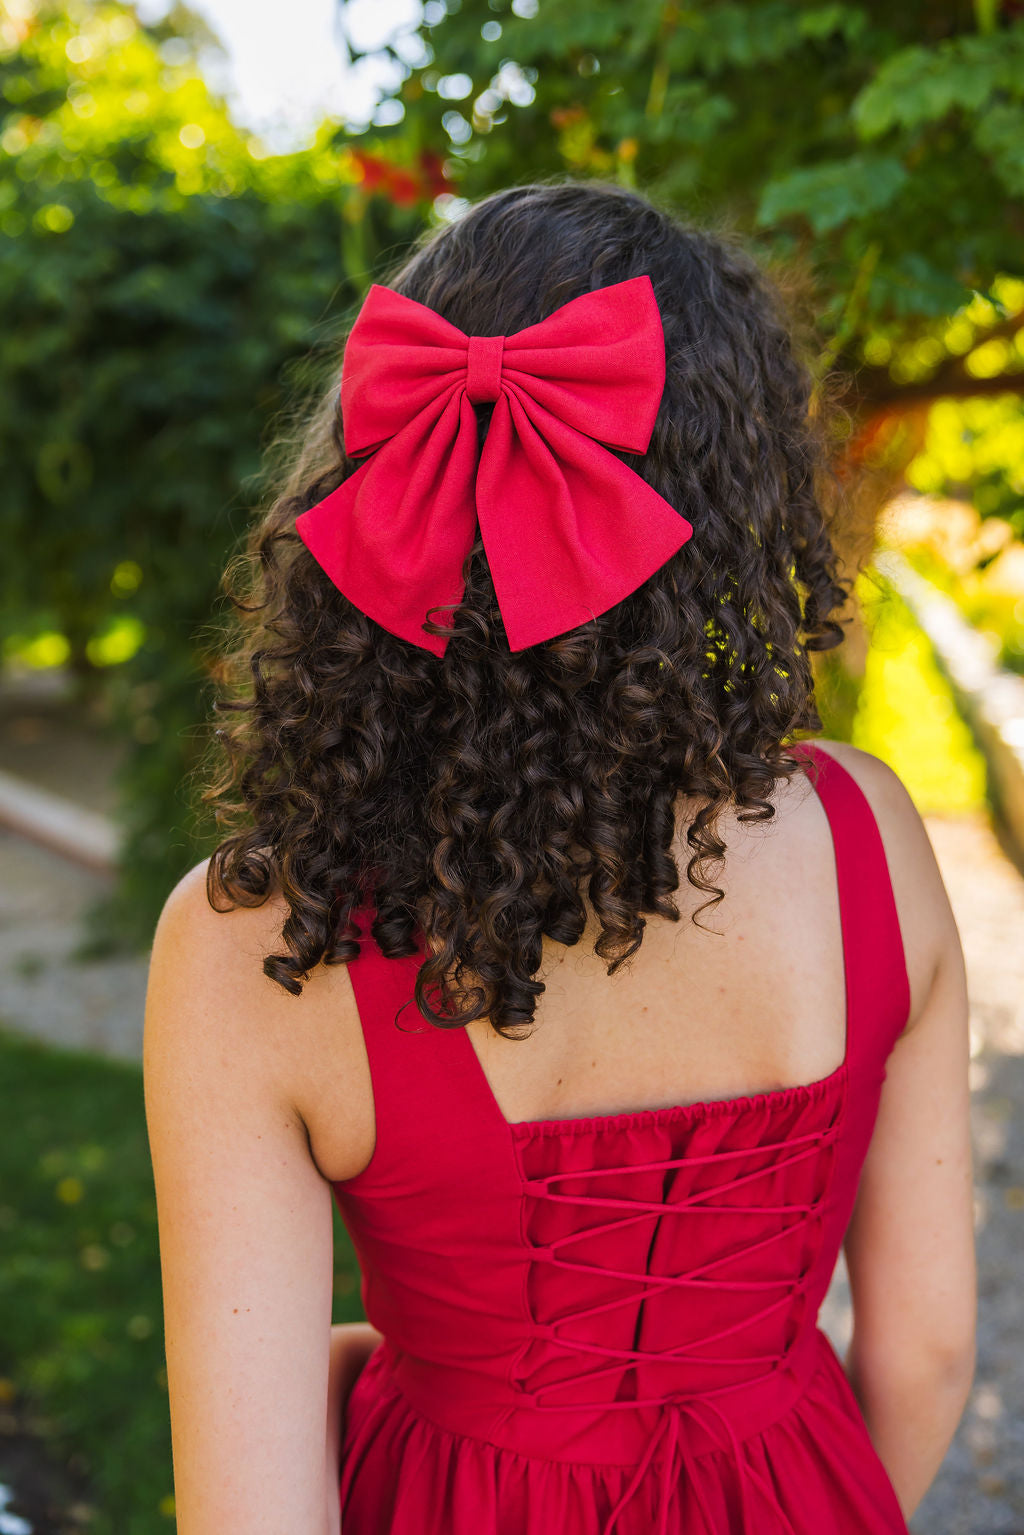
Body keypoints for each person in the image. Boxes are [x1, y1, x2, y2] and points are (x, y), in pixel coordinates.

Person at [143, 179, 976, 1535]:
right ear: (738, 511)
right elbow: (930, 1352)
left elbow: (251, 1512)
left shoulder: (257, 940)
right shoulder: (869, 834)